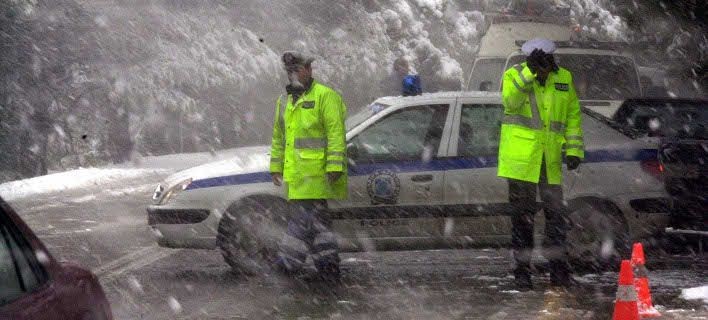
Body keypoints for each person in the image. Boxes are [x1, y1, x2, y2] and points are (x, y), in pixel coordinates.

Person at [497, 38, 584, 290]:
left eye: (547, 63)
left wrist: (575, 149)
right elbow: (510, 101)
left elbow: (572, 116)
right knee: (522, 219)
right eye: (539, 63)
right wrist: (529, 72)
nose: (545, 68)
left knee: (556, 218)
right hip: (522, 161)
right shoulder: (515, 75)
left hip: (551, 159)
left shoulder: (564, 78)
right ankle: (522, 272)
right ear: (529, 61)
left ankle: (558, 270)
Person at [269, 51, 348, 281]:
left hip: (317, 177)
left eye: (298, 69)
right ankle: (328, 267)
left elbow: (336, 134)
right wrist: (276, 167)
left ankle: (288, 265)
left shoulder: (326, 97)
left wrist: (334, 167)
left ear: (309, 70)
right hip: (296, 178)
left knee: (300, 224)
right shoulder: (283, 101)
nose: (293, 74)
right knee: (319, 227)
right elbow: (278, 137)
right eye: (290, 71)